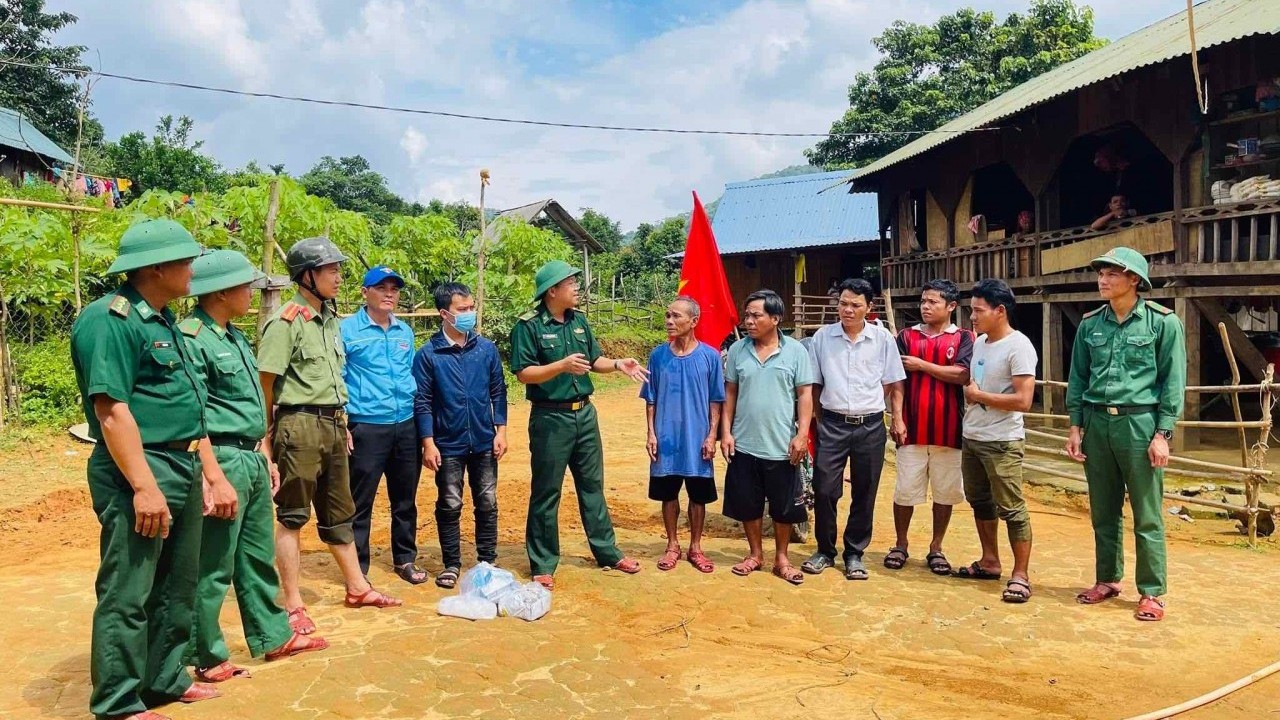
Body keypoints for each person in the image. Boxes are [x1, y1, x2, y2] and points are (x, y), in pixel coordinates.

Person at [70, 219, 224, 720]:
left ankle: (163, 679)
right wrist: (144, 486)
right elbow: (112, 411)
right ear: (155, 267)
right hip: (139, 469)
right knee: (129, 590)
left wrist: (202, 470)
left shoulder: (161, 320)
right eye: (186, 260)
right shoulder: (110, 319)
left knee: (177, 585)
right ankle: (117, 701)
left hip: (179, 463)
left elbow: (182, 405)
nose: (193, 269)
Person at [180, 250, 328, 684]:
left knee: (255, 555)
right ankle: (205, 654)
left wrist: (263, 452)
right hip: (221, 458)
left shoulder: (234, 337)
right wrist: (212, 475)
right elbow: (195, 414)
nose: (252, 292)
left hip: (249, 454)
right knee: (214, 563)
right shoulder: (193, 338)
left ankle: (272, 635)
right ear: (222, 292)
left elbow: (250, 404)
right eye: (246, 286)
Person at [257, 237, 402, 637]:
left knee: (341, 510)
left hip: (334, 423)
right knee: (292, 514)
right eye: (330, 270)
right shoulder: (287, 321)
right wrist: (267, 439)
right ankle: (292, 603)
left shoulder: (330, 321)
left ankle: (357, 587)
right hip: (298, 423)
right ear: (307, 276)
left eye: (339, 269)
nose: (338, 277)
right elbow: (265, 382)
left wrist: (340, 422)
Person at [510, 260, 648, 590]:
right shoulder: (528, 327)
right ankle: (543, 563)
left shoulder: (580, 322)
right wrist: (560, 365)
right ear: (552, 291)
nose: (576, 287)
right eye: (570, 282)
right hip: (550, 418)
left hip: (585, 415)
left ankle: (608, 552)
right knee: (547, 491)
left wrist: (617, 364)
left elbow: (592, 361)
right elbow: (523, 373)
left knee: (592, 487)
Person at [1066, 247, 1186, 622]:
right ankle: (1107, 579)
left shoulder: (1162, 323)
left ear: (1135, 280)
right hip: (1097, 423)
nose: (1103, 280)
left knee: (1147, 513)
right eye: (1101, 273)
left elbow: (1172, 383)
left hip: (1140, 424)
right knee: (1103, 509)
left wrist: (1163, 433)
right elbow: (1078, 378)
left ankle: (1151, 592)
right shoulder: (1090, 325)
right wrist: (1075, 426)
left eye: (1113, 274)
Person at [802, 278, 905, 581]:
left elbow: (893, 381)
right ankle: (824, 550)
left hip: (870, 425)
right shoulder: (822, 337)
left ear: (869, 308)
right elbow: (814, 384)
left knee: (865, 490)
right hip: (831, 424)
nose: (847, 310)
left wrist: (892, 416)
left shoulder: (882, 339)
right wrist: (821, 421)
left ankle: (854, 553)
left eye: (855, 305)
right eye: (843, 303)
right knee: (824, 489)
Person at [413, 282, 508, 590]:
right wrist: (428, 442)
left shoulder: (486, 349)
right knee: (450, 503)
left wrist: (501, 431)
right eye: (462, 310)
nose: (470, 314)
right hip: (447, 444)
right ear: (444, 313)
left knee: (487, 501)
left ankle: (487, 561)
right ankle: (451, 563)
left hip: (483, 441)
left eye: (471, 308)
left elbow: (498, 391)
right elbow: (422, 400)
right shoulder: (429, 355)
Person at [340, 265, 426, 584]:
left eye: (394, 288)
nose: (390, 294)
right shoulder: (348, 331)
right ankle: (357, 567)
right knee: (360, 500)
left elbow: (410, 375)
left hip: (405, 424)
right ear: (365, 293)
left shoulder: (404, 331)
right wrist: (343, 421)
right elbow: (338, 376)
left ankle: (405, 559)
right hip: (366, 426)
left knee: (405, 498)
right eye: (382, 288)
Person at [721, 289, 813, 586]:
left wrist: (802, 435)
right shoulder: (737, 350)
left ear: (775, 319)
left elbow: (805, 395)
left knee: (784, 506)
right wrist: (726, 432)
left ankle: (782, 558)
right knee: (748, 502)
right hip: (745, 442)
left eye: (756, 315)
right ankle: (755, 554)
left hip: (781, 445)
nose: (749, 320)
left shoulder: (796, 351)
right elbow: (730, 393)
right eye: (747, 315)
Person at [956, 278, 1037, 604]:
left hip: (1002, 441)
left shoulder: (1019, 347)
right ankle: (990, 559)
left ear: (1000, 310)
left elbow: (1024, 400)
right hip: (973, 436)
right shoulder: (980, 343)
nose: (972, 317)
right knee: (980, 501)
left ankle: (1021, 574)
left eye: (978, 310)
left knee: (1012, 508)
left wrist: (979, 396)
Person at [887, 279, 973, 576]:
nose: (925, 306)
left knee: (945, 492)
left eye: (932, 302)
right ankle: (900, 543)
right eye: (923, 301)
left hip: (950, 430)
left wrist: (922, 365)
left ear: (951, 306)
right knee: (905, 490)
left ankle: (936, 547)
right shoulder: (906, 336)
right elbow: (896, 380)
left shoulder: (964, 337)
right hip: (911, 427)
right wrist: (896, 417)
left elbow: (962, 375)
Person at [641, 296, 725, 574]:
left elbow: (716, 399)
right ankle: (672, 544)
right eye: (667, 315)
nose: (669, 321)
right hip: (666, 438)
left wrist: (711, 434)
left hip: (697, 437)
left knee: (698, 495)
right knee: (668, 493)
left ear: (693, 321)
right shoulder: (658, 356)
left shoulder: (710, 356)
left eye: (676, 316)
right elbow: (650, 399)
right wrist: (651, 433)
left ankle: (696, 547)